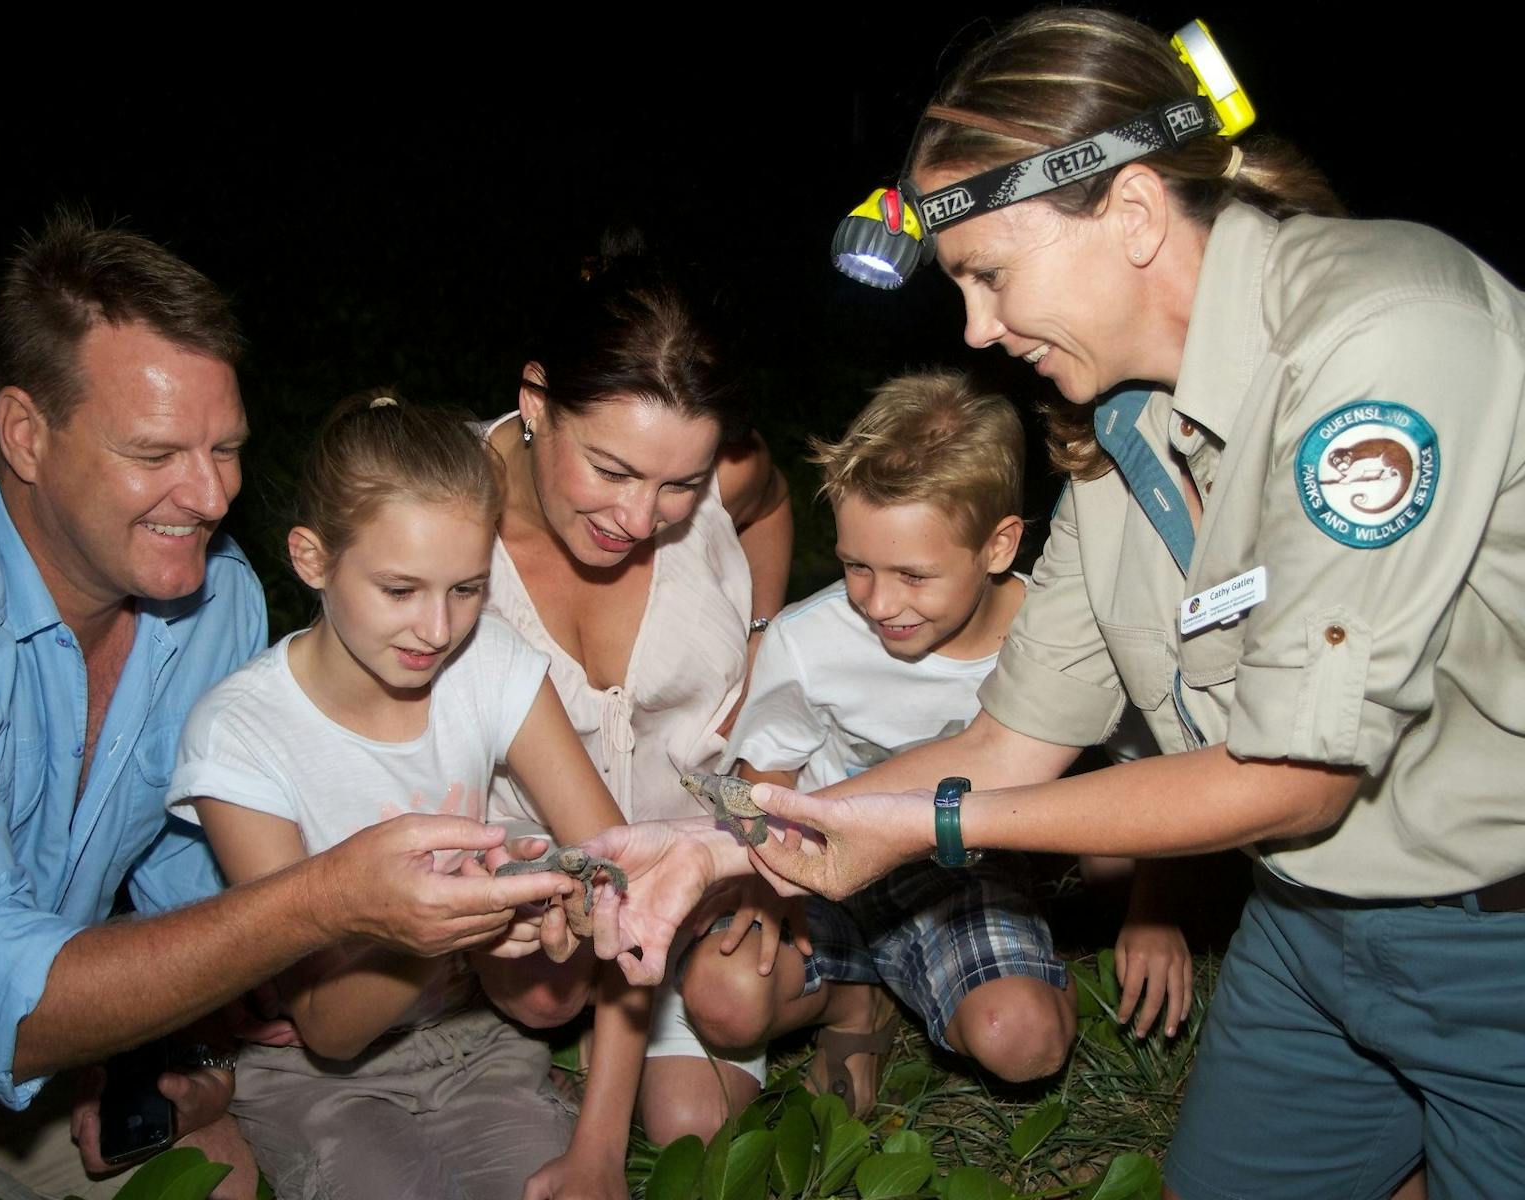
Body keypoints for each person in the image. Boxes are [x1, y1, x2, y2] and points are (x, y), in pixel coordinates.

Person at [591, 10, 1523, 1198]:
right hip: (1310, 927)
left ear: (1131, 212)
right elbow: (1008, 742)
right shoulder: (1121, 433)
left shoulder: (1385, 342)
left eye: (987, 274)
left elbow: (1292, 772)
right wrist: (720, 839)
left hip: (1498, 946)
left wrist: (928, 828)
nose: (974, 326)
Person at [0, 212, 568, 1200]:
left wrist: (202, 1051)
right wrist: (320, 904)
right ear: (26, 433)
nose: (211, 493)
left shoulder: (212, 596)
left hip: (54, 1073)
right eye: (156, 453)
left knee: (215, 1172)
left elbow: (198, 897)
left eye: (225, 448)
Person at [681, 371, 1192, 1123]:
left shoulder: (1066, 645)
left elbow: (1153, 781)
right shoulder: (809, 640)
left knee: (1023, 1040)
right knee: (722, 997)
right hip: (821, 858)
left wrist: (1154, 909)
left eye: (914, 575)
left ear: (999, 544)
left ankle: (960, 980)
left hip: (959, 870)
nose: (880, 603)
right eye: (857, 565)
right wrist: (763, 887)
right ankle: (856, 1006)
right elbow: (768, 774)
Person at [166, 393, 624, 1198]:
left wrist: (599, 1151)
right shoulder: (239, 735)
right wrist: (468, 915)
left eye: (466, 588)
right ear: (312, 560)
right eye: (400, 590)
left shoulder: (488, 662)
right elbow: (329, 1027)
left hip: (475, 1040)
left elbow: (624, 875)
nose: (438, 630)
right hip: (313, 1074)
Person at [478, 243, 794, 1147]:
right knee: (545, 992)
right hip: (561, 896)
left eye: (678, 485)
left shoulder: (723, 477)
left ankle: (854, 992)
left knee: (695, 1124)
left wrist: (765, 639)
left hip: (713, 840)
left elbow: (769, 505)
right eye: (612, 471)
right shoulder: (439, 515)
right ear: (536, 402)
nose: (638, 517)